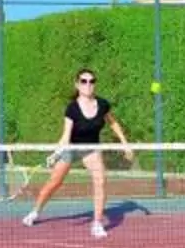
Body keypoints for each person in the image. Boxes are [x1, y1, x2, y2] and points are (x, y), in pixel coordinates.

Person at [21, 68, 135, 236]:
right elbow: (66, 136)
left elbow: (113, 123)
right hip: (71, 148)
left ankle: (97, 223)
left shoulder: (103, 104)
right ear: (77, 85)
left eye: (91, 81)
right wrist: (56, 153)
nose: (88, 84)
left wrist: (125, 144)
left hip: (91, 148)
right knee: (54, 183)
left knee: (101, 180)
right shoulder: (72, 108)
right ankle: (35, 212)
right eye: (84, 81)